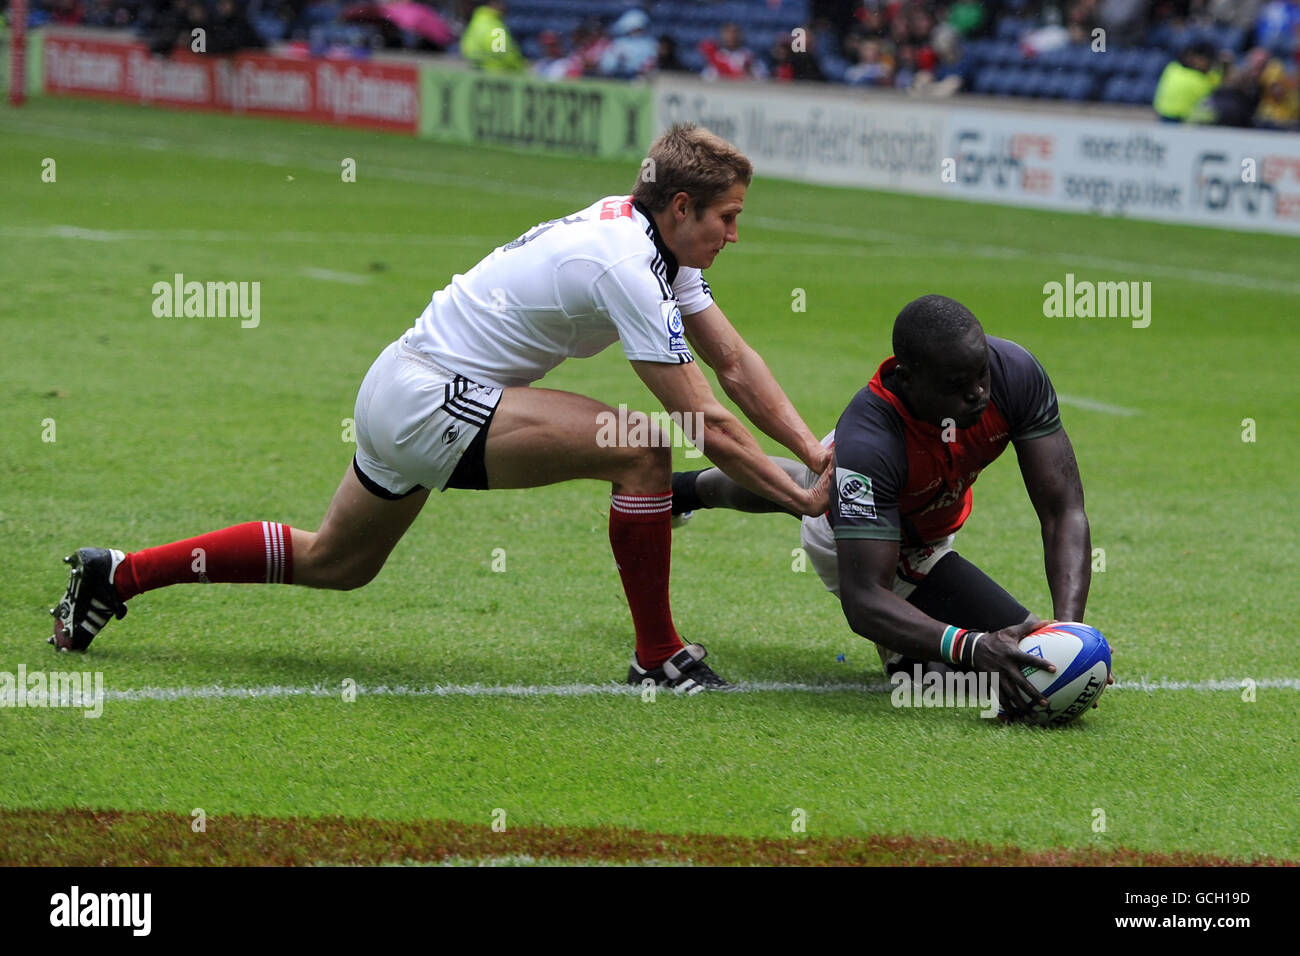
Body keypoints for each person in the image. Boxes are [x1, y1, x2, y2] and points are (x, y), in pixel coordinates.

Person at [49, 124, 833, 696]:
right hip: (431, 400)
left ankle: (118, 575)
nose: (734, 234)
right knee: (644, 450)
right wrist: (798, 494)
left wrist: (811, 448)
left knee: (336, 563)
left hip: (403, 386)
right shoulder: (627, 266)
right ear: (684, 205)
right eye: (728, 218)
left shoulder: (649, 240)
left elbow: (731, 363)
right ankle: (658, 655)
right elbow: (709, 420)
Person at [671, 295, 1103, 717]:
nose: (977, 394)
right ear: (908, 378)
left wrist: (1071, 634)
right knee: (1007, 668)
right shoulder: (869, 442)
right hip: (871, 541)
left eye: (981, 375)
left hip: (924, 508)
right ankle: (903, 657)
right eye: (956, 385)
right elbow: (864, 599)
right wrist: (970, 646)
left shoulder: (1015, 373)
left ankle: (683, 490)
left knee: (806, 482)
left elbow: (1062, 510)